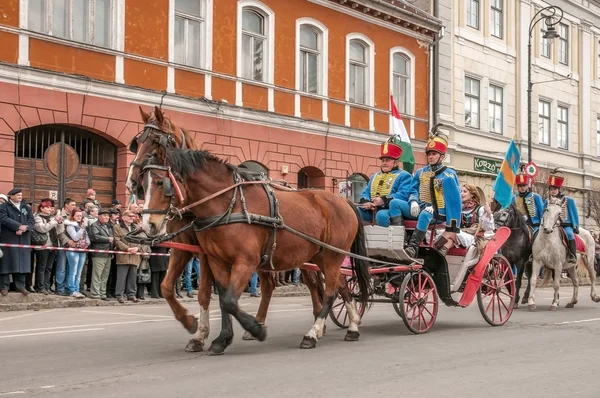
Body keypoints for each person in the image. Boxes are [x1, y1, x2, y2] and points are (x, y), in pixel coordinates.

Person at [405, 132, 462, 257]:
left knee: (426, 214)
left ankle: (412, 247)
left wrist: (436, 208)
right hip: (419, 206)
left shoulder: (449, 175)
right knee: (395, 204)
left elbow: (453, 200)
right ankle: (401, 241)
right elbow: (413, 190)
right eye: (429, 154)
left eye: (434, 154)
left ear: (442, 156)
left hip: (439, 212)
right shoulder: (420, 172)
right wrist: (413, 201)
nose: (430, 157)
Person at [358, 138, 412, 226]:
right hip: (371, 210)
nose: (384, 163)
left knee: (381, 215)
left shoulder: (404, 176)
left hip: (390, 210)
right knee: (355, 211)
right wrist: (366, 202)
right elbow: (366, 192)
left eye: (387, 160)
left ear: (396, 162)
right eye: (383, 160)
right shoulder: (374, 176)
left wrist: (383, 200)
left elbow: (403, 194)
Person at [0, 188, 35, 296]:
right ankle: (4, 287)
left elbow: (31, 220)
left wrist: (26, 227)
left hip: (23, 239)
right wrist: (18, 226)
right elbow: (4, 219)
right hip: (9, 239)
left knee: (22, 264)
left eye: (21, 195)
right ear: (11, 196)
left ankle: (21, 287)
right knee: (6, 264)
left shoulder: (26, 207)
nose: (20, 196)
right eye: (17, 195)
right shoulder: (4, 207)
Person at [545, 171, 579, 263]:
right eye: (551, 189)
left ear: (559, 189)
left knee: (570, 234)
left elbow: (574, 213)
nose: (553, 191)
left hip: (565, 225)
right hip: (552, 225)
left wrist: (576, 225)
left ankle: (572, 255)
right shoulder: (547, 201)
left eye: (555, 189)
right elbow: (543, 214)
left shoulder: (568, 200)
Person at [33, 198, 62, 294]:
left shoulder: (52, 218)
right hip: (43, 246)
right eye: (47, 207)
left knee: (49, 267)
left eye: (50, 207)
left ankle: (46, 286)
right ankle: (39, 286)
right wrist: (54, 221)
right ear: (41, 208)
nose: (50, 209)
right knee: (42, 267)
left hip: (53, 245)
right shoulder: (37, 217)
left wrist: (60, 223)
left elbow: (59, 231)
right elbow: (43, 228)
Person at [455, 184, 494, 248]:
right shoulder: (459, 208)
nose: (462, 194)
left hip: (473, 238)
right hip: (460, 236)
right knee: (448, 238)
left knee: (451, 233)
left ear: (472, 194)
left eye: (465, 192)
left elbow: (488, 228)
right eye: (461, 191)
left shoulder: (479, 209)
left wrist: (488, 214)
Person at [88, 209, 114, 300]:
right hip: (99, 253)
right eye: (104, 215)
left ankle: (103, 293)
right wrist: (108, 239)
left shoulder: (108, 226)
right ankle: (95, 293)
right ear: (99, 216)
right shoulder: (94, 225)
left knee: (104, 275)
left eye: (107, 216)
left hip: (108, 253)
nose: (106, 217)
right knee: (97, 275)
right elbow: (95, 237)